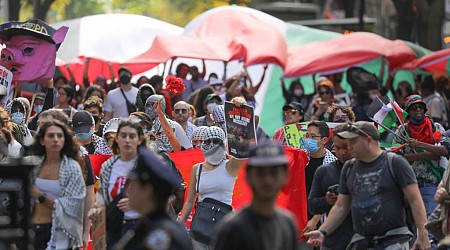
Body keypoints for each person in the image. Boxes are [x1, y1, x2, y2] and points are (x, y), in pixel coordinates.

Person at [305, 121, 431, 250]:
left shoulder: (395, 163)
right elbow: (341, 207)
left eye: (353, 142)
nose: (349, 147)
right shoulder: (349, 168)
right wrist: (323, 231)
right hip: (362, 242)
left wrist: (423, 233)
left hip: (393, 241)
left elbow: (415, 199)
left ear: (369, 140)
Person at [211, 142, 298, 250]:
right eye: (261, 173)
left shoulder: (288, 224)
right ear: (248, 176)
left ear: (285, 176)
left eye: (274, 173)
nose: (268, 180)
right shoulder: (232, 229)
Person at [113, 146, 192, 250]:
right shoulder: (148, 225)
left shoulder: (160, 235)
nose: (127, 190)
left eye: (132, 184)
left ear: (147, 190)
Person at [179, 126, 245, 250]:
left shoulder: (230, 166)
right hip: (201, 225)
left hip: (224, 225)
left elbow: (244, 148)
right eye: (207, 141)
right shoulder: (197, 169)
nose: (211, 145)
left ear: (223, 143)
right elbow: (189, 201)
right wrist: (179, 224)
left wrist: (241, 113)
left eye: (216, 141)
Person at [28, 120, 86, 249]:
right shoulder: (34, 166)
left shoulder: (72, 168)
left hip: (58, 231)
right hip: (32, 230)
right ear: (42, 141)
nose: (55, 139)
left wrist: (41, 197)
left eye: (60, 136)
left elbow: (73, 206)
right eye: (51, 136)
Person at [90, 120, 148, 248]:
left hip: (142, 228)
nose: (127, 140)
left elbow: (162, 198)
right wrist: (95, 210)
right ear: (117, 139)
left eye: (132, 136)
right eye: (123, 136)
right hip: (115, 228)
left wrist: (137, 203)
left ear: (139, 139)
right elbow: (102, 198)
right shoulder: (108, 166)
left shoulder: (148, 165)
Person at [393, 95, 450, 218]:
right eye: (414, 108)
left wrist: (418, 145)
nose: (418, 110)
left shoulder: (436, 127)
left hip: (430, 183)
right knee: (415, 225)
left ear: (425, 109)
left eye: (420, 107)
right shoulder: (402, 131)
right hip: (408, 185)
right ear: (407, 111)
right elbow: (396, 158)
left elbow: (444, 150)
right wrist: (430, 155)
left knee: (429, 221)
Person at [304, 124, 354, 249]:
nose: (342, 152)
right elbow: (313, 204)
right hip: (331, 240)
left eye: (345, 148)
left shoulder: (366, 170)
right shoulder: (323, 171)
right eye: (337, 147)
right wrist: (327, 200)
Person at [302, 121, 337, 221]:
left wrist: (315, 220)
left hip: (322, 220)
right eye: (307, 135)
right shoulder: (301, 158)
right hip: (301, 215)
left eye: (313, 136)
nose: (308, 140)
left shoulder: (332, 164)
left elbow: (331, 199)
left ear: (324, 140)